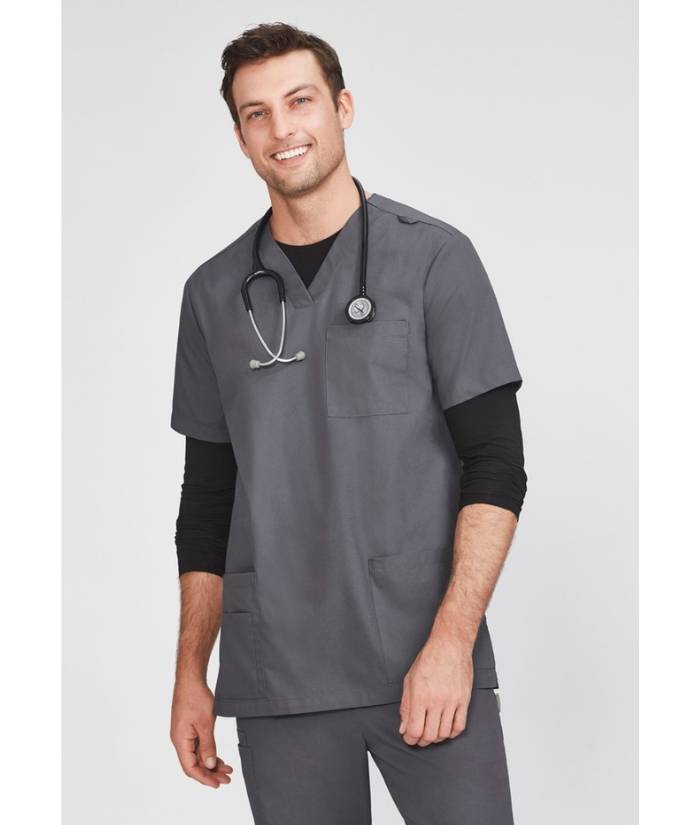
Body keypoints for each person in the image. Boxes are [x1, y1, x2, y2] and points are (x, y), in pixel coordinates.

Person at [169, 21, 527, 825]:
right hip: (279, 675)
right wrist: (192, 671)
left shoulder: (434, 261)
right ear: (240, 137)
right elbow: (207, 502)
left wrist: (452, 641)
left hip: (425, 662)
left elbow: (496, 464)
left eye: (300, 101)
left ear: (342, 108)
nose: (281, 128)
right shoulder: (213, 296)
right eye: (256, 113)